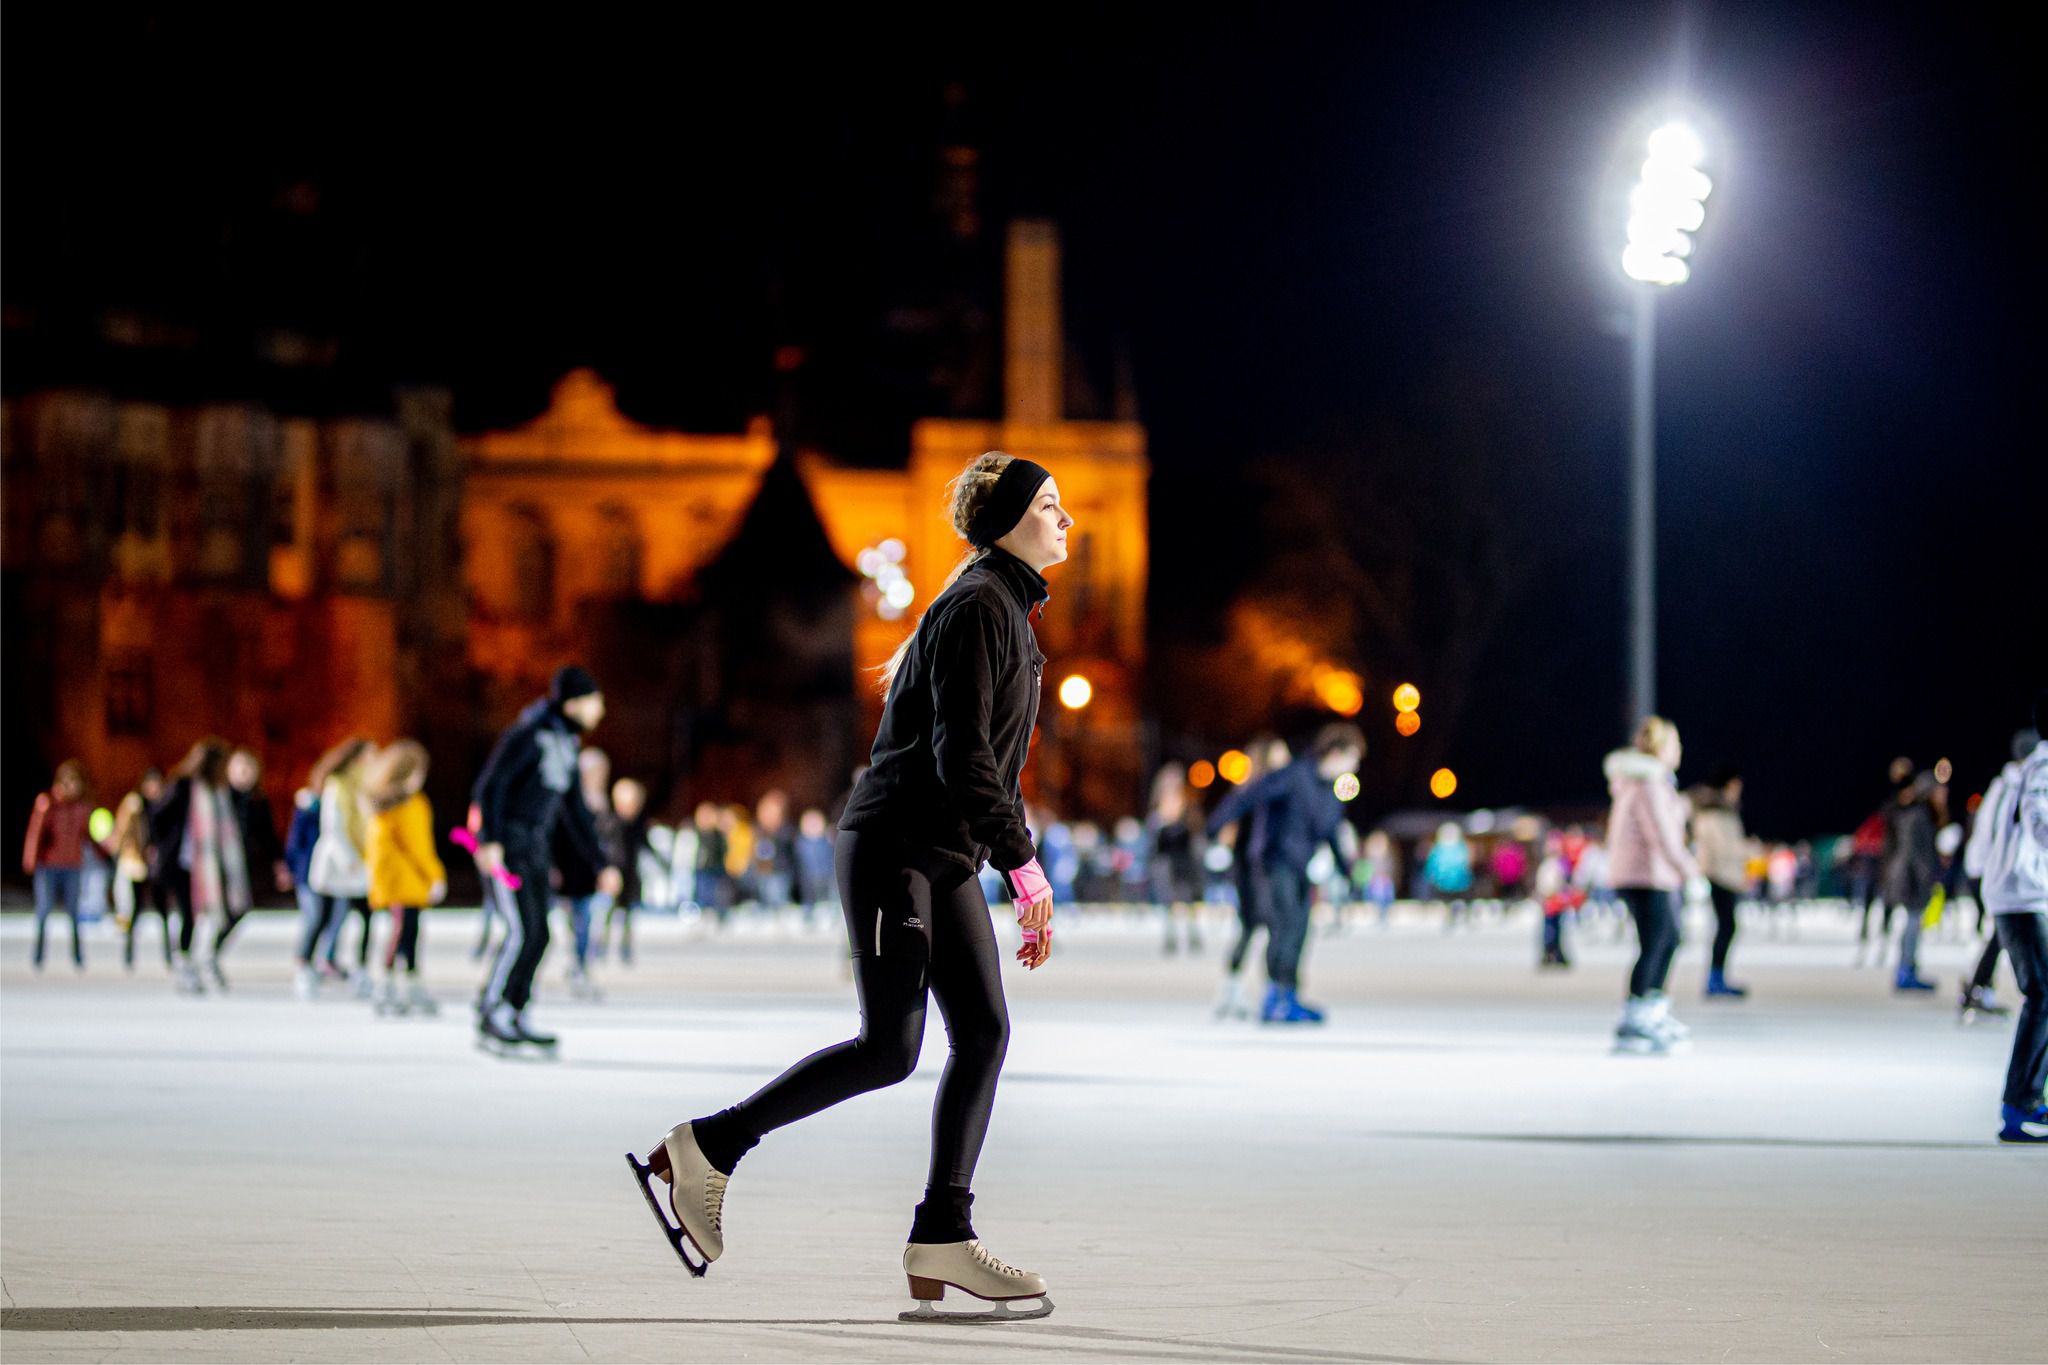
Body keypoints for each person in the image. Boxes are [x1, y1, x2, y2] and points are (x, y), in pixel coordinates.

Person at [630, 451, 1066, 1320]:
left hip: (940, 855)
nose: (1065, 521)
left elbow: (994, 759)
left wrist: (1006, 854)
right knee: (888, 1047)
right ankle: (706, 1147)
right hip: (893, 848)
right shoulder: (980, 603)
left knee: (981, 1031)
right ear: (1009, 521)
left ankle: (943, 1228)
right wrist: (1023, 860)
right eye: (1050, 506)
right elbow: (962, 754)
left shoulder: (1004, 610)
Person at [472, 664, 618, 1053]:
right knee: (521, 930)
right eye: (594, 702)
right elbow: (491, 786)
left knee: (542, 934)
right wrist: (490, 839)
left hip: (535, 849)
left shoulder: (567, 746)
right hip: (508, 848)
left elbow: (575, 812)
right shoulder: (528, 735)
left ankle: (516, 1011)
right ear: (573, 703)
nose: (599, 711)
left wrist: (599, 862)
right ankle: (492, 1012)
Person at [1206, 723, 1364, 1025]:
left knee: (1301, 928)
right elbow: (1250, 795)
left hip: (1301, 865)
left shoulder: (1332, 792)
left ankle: (1289, 994)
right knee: (1284, 925)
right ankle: (1273, 998)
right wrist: (1217, 824)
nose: (1354, 767)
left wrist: (1346, 871)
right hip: (1274, 862)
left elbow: (1330, 832)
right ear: (1334, 753)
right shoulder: (1295, 775)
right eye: (1351, 758)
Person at [1970, 692, 2048, 1143]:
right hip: (2021, 894)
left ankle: (2025, 1098)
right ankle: (2020, 1102)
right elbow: (2039, 824)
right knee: (2042, 993)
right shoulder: (2041, 767)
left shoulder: (2028, 769)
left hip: (2018, 891)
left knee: (2043, 993)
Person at [1605, 715, 1701, 1054]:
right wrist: (1690, 871)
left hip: (1646, 874)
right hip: (1647, 875)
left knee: (1665, 939)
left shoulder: (1646, 783)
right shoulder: (1649, 784)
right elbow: (1662, 834)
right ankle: (1638, 1016)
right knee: (1660, 941)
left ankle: (1651, 1010)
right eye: (1676, 744)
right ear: (1662, 748)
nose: (1680, 751)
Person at [149, 740, 251, 994]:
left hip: (210, 866)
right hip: (182, 864)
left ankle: (204, 957)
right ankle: (184, 964)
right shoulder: (184, 787)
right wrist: (163, 846)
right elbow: (157, 816)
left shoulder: (221, 792)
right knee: (188, 916)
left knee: (229, 911)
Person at [363, 740, 447, 1016]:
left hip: (394, 883)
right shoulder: (410, 805)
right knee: (404, 935)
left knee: (404, 935)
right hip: (407, 883)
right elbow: (418, 847)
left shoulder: (381, 806)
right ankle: (391, 987)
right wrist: (434, 876)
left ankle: (403, 985)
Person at [1961, 728, 2040, 1021]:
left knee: (2000, 934)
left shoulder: (2004, 784)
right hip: (1991, 869)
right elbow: (2000, 833)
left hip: (1986, 868)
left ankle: (1979, 987)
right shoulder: (2016, 785)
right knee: (2001, 934)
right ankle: (1977, 988)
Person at [1213, 736, 1287, 1018]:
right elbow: (1223, 822)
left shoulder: (1273, 791)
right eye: (1280, 755)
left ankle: (1261, 990)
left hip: (1260, 868)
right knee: (1254, 927)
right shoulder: (1254, 790)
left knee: (1264, 929)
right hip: (1250, 870)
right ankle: (1236, 990)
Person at [299, 738, 377, 998]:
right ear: (356, 758)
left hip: (362, 864)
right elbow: (333, 827)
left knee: (367, 917)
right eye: (369, 755)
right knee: (322, 918)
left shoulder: (367, 787)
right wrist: (351, 860)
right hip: (337, 864)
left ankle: (362, 970)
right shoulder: (338, 786)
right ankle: (305, 967)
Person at [1691, 768, 1758, 999]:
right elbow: (1720, 849)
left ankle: (1717, 976)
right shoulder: (1712, 814)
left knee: (1728, 926)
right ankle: (1714, 978)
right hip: (1720, 877)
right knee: (1727, 926)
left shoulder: (1726, 813)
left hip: (1728, 876)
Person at [554, 746, 614, 998]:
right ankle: (577, 966)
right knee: (574, 925)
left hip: (595, 873)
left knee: (591, 924)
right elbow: (563, 837)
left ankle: (581, 966)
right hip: (572, 873)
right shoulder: (570, 800)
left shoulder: (602, 799)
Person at [24, 760, 94, 970]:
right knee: (44, 909)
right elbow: (35, 834)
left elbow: (89, 837)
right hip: (48, 866)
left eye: (76, 782)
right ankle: (38, 954)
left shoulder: (83, 808)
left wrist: (107, 850)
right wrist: (31, 859)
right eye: (68, 781)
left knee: (73, 911)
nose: (72, 786)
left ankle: (77, 955)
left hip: (73, 865)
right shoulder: (47, 804)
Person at [1883, 771, 1943, 992]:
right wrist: (1925, 878)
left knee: (1913, 923)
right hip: (1911, 878)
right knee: (1912, 923)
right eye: (1939, 790)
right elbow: (1913, 852)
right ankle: (1905, 972)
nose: (1943, 795)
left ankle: (1907, 969)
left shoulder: (1920, 814)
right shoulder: (1919, 815)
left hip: (1910, 876)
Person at [110, 768, 172, 971]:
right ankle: (129, 952)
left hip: (157, 866)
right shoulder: (135, 804)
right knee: (135, 910)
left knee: (163, 911)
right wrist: (119, 851)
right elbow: (123, 830)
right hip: (136, 864)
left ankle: (169, 954)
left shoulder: (164, 804)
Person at [1148, 763, 1205, 955]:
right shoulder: (1157, 812)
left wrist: (1180, 819)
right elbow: (1155, 843)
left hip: (1184, 861)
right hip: (1165, 864)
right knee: (1168, 901)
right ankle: (1170, 938)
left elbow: (1195, 834)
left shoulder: (1188, 809)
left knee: (1188, 900)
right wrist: (1163, 822)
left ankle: (1193, 935)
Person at [598, 777, 649, 965]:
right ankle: (600, 948)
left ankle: (625, 949)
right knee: (607, 914)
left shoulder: (637, 825)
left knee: (628, 915)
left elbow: (645, 844)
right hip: (614, 875)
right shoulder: (610, 822)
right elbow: (604, 847)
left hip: (630, 875)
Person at [1422, 821, 1474, 928]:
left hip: (1449, 881)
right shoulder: (1458, 847)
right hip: (1456, 881)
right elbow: (1467, 862)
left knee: (1450, 901)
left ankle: (1454, 917)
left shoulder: (1439, 848)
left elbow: (1432, 864)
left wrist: (1430, 876)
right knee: (1453, 901)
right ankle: (1457, 917)